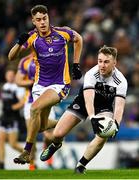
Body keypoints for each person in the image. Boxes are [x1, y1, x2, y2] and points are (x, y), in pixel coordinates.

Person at [8, 4, 83, 164]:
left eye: (44, 18)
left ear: (48, 18)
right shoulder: (32, 38)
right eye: (38, 20)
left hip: (59, 85)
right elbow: (11, 57)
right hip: (39, 86)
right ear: (33, 21)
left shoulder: (62, 33)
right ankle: (68, 122)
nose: (42, 22)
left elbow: (79, 39)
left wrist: (75, 64)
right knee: (41, 127)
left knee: (34, 108)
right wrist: (18, 43)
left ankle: (27, 151)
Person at [40, 45, 128, 173]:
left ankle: (81, 165)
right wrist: (92, 117)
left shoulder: (121, 81)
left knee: (104, 135)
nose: (102, 65)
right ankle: (56, 144)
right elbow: (88, 98)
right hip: (83, 102)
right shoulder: (92, 74)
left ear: (114, 63)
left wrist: (116, 124)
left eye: (106, 62)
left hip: (103, 106)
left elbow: (119, 106)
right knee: (57, 133)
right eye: (100, 61)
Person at [15, 53, 58, 169]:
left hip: (46, 100)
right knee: (31, 133)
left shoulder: (49, 56)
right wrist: (31, 82)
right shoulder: (25, 61)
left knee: (49, 135)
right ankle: (32, 163)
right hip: (30, 102)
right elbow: (18, 81)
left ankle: (48, 154)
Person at [0, 69, 25, 169]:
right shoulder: (5, 86)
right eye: (8, 75)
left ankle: (28, 154)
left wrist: (12, 108)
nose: (10, 77)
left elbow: (22, 102)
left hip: (13, 118)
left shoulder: (18, 87)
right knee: (0, 141)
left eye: (11, 75)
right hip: (4, 117)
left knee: (13, 144)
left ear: (14, 76)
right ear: (5, 76)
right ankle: (1, 164)